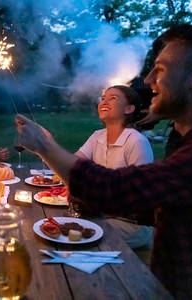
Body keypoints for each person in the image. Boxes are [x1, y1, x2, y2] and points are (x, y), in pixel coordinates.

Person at [15, 23, 192, 299]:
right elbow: (158, 202)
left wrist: (45, 146)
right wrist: (94, 203)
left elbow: (118, 189)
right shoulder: (188, 142)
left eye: (162, 69)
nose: (148, 79)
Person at [75, 85, 154, 249]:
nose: (104, 101)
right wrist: (46, 146)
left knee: (78, 234)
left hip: (132, 225)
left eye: (113, 98)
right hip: (102, 215)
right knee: (67, 225)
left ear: (129, 108)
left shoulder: (136, 142)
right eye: (103, 98)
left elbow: (140, 199)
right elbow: (73, 164)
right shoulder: (98, 136)